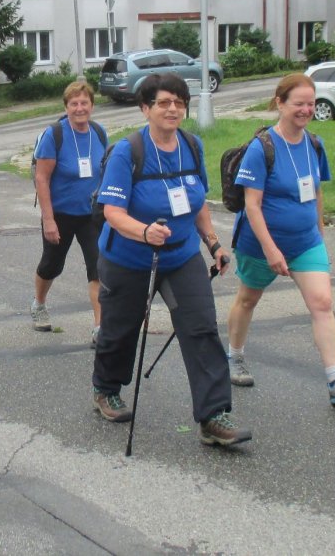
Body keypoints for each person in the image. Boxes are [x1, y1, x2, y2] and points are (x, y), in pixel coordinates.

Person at [91, 73, 251, 447]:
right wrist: (144, 232)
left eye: (179, 102)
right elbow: (112, 211)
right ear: (145, 108)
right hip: (128, 258)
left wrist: (213, 245)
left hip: (179, 257)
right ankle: (106, 388)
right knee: (121, 330)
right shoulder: (127, 152)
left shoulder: (192, 147)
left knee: (201, 329)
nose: (172, 108)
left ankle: (213, 416)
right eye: (163, 102)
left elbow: (197, 207)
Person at [226, 73, 335, 406]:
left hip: (306, 242)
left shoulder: (314, 144)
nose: (306, 110)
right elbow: (252, 205)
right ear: (280, 103)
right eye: (299, 104)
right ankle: (234, 355)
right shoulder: (261, 147)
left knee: (322, 303)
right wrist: (271, 249)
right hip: (261, 244)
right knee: (248, 299)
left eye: (311, 103)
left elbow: (317, 189)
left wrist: (318, 228)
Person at [31, 81, 108, 345]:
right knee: (52, 264)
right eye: (74, 103)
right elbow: (42, 178)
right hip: (60, 213)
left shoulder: (99, 133)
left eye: (84, 103)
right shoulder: (55, 135)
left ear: (92, 105)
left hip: (91, 215)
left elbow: (106, 171)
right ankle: (39, 303)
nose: (79, 108)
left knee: (98, 266)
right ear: (66, 107)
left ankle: (100, 328)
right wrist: (48, 219)